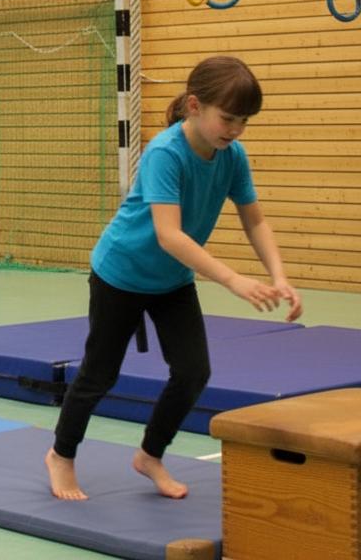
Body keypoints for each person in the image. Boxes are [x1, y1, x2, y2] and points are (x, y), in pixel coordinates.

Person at [45, 55, 302, 501]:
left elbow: (255, 220)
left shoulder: (232, 156)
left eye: (244, 121)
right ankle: (61, 455)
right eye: (228, 119)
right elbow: (169, 235)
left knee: (193, 372)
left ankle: (150, 455)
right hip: (121, 274)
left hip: (171, 281)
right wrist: (233, 280)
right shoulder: (166, 153)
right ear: (195, 106)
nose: (236, 130)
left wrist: (279, 276)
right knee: (99, 375)